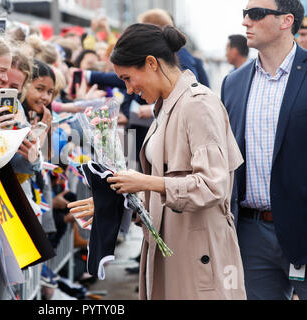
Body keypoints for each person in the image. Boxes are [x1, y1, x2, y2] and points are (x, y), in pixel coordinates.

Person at [89, 23, 246, 300]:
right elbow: (164, 187)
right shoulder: (168, 106)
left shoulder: (197, 105)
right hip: (177, 249)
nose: (128, 89)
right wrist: (112, 204)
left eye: (127, 78)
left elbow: (213, 185)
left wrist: (145, 182)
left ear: (151, 63)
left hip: (197, 254)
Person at [221, 0, 307, 300]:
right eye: (244, 14)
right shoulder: (232, 83)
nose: (246, 22)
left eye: (255, 14)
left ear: (286, 21)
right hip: (251, 232)